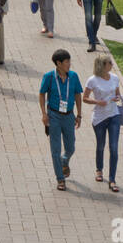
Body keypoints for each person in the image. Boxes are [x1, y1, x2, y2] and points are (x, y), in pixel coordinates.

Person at [39, 48, 83, 191]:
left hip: (69, 116)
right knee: (55, 149)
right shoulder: (49, 77)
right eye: (66, 62)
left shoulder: (74, 76)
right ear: (58, 63)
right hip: (54, 116)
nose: (69, 64)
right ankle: (60, 179)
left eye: (69, 61)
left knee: (70, 147)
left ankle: (64, 161)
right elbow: (42, 94)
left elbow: (77, 95)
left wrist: (79, 114)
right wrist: (44, 114)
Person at [83, 52, 123, 191]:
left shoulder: (115, 78)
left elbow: (117, 93)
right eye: (110, 63)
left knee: (114, 147)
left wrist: (116, 98)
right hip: (99, 118)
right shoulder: (92, 80)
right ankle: (99, 169)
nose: (112, 65)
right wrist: (97, 101)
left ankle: (112, 179)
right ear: (103, 65)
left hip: (114, 115)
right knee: (100, 145)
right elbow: (85, 98)